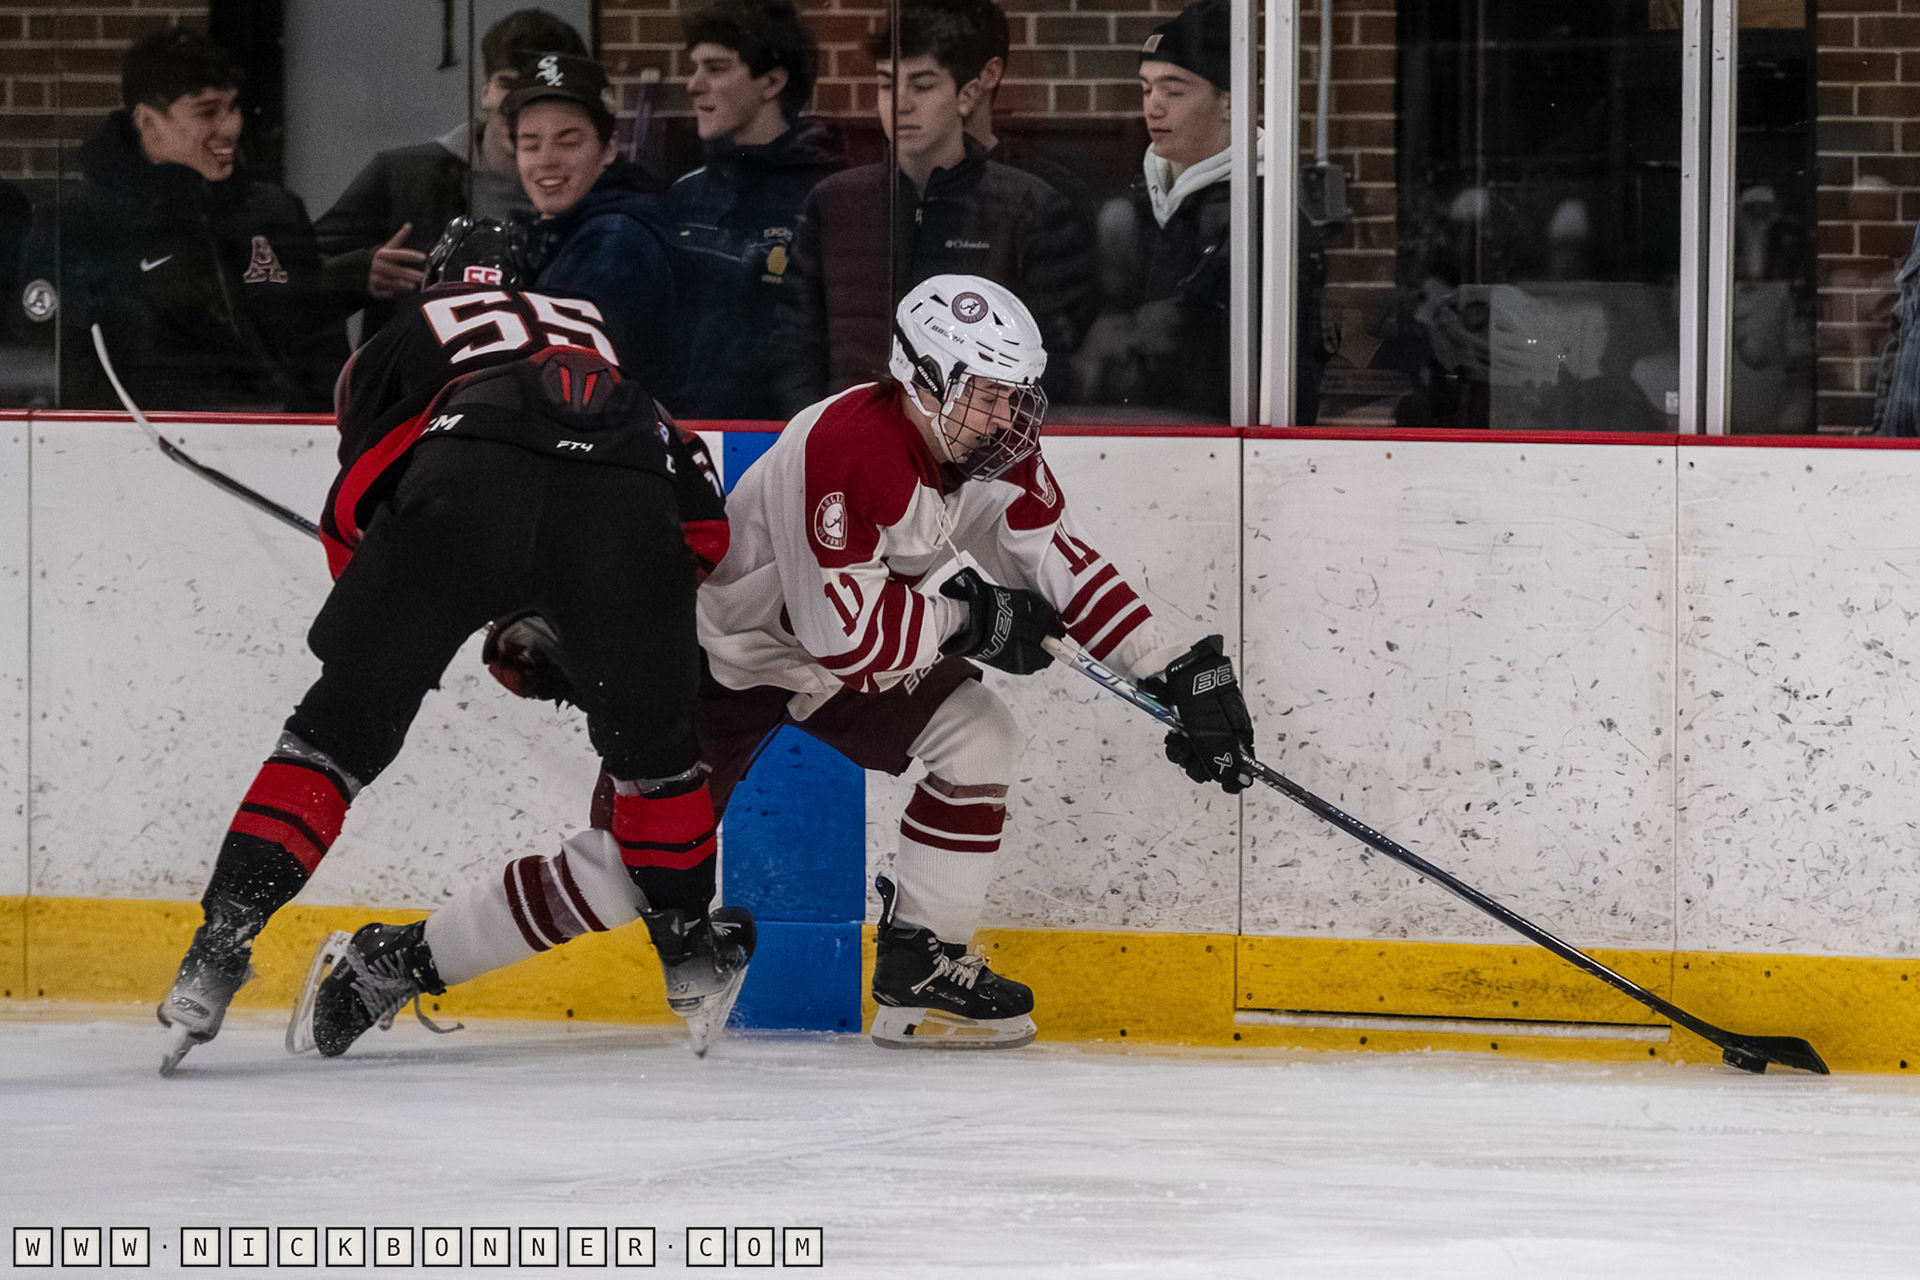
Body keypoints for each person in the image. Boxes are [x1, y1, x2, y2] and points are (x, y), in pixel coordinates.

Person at [308, 274, 1256, 1056]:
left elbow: (1056, 558)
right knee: (624, 875)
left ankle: (923, 965)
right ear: (924, 380)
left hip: (827, 655)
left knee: (979, 737)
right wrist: (970, 616)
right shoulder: (849, 451)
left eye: (1018, 393)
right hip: (719, 660)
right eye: (989, 393)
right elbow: (851, 637)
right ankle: (389, 961)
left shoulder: (989, 452)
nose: (1011, 415)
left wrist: (1178, 672)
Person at [156, 220, 747, 1075]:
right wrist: (585, 628)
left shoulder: (398, 336)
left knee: (336, 735)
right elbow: (698, 523)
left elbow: (369, 494)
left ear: (435, 279)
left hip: (463, 470)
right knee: (655, 758)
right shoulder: (586, 323)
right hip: (626, 487)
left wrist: (414, 593)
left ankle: (218, 950)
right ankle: (690, 953)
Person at [773, 0, 1094, 415]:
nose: (899, 103)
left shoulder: (1027, 206)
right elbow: (793, 346)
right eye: (887, 84)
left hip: (980, 451)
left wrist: (982, 429)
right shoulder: (834, 202)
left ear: (967, 95)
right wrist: (826, 429)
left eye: (922, 85)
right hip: (853, 444)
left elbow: (1050, 359)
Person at [32, 27, 348, 412]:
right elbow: (61, 373)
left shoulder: (274, 212)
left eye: (233, 107)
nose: (231, 127)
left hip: (289, 448)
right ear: (147, 120)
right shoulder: (77, 222)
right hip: (137, 452)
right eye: (207, 111)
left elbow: (322, 354)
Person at [1078, 0, 1324, 421]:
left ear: (1230, 103)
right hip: (1121, 433)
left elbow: (1287, 376)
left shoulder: (1269, 213)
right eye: (1146, 88)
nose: (1153, 106)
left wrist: (1177, 333)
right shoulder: (1131, 208)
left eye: (1173, 91)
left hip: (1216, 444)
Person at [312, 9, 589, 332]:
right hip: (425, 377)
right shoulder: (404, 175)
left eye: (537, 89)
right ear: (485, 91)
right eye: (508, 83)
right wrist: (358, 272)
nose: (519, 102)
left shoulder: (589, 190)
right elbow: (293, 280)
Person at [664, 0, 842, 420]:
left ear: (772, 81)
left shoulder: (828, 195)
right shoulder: (685, 194)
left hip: (787, 437)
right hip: (688, 432)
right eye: (694, 67)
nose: (693, 84)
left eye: (717, 68)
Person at [506, 54, 685, 406]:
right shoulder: (555, 233)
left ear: (609, 149)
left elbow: (570, 390)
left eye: (568, 141)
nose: (545, 159)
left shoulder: (615, 244)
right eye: (530, 143)